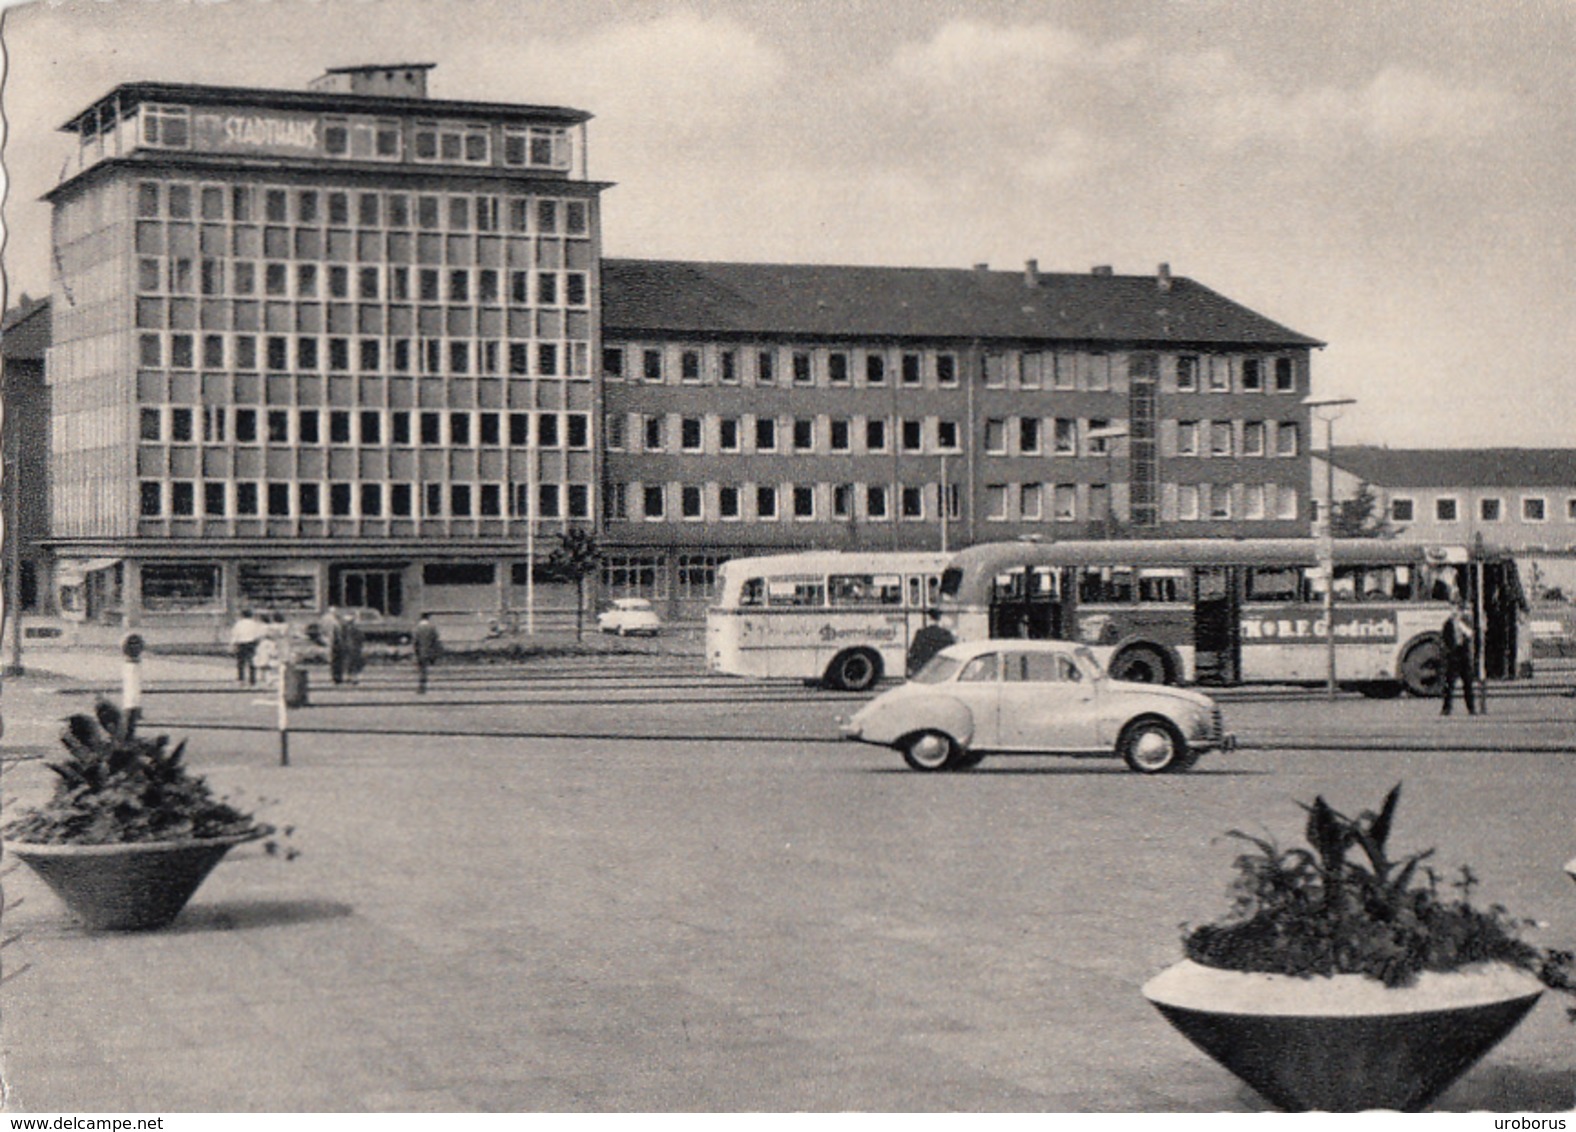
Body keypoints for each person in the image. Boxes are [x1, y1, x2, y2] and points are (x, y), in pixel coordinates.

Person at [1441, 601, 1477, 716]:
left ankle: (1471, 708)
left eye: (1456, 610)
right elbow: (1444, 638)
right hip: (1453, 655)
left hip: (1464, 654)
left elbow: (1470, 634)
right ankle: (1446, 708)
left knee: (1468, 683)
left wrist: (1460, 623)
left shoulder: (1466, 622)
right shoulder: (1448, 623)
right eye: (1452, 610)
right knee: (1449, 684)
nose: (1454, 612)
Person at [906, 610, 956, 676]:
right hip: (940, 668)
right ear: (940, 619)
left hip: (923, 669)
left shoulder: (921, 633)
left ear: (929, 618)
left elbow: (913, 651)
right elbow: (953, 651)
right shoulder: (946, 634)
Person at [229, 608, 266, 686]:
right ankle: (252, 680)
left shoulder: (239, 624)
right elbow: (259, 634)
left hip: (241, 643)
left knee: (241, 662)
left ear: (242, 615)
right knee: (252, 661)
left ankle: (241, 679)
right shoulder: (255, 624)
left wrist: (233, 644)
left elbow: (235, 634)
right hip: (251, 643)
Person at [413, 613, 443, 694]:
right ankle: (423, 686)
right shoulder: (432, 628)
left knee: (422, 670)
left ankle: (421, 687)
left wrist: (416, 652)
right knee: (425, 670)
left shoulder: (417, 628)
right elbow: (436, 640)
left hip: (421, 652)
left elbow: (415, 642)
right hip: (429, 651)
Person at [327, 607, 348, 685]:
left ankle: (336, 677)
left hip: (333, 645)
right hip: (336, 645)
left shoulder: (330, 621)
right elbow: (338, 636)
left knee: (335, 662)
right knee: (338, 662)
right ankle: (337, 677)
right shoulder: (336, 623)